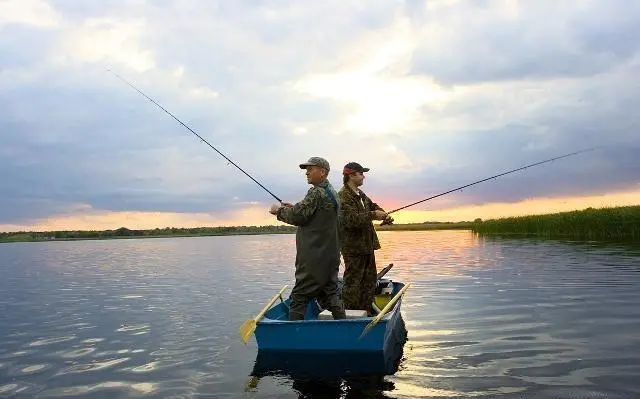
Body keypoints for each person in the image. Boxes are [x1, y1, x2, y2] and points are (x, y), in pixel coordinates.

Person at [269, 157, 346, 321]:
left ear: (323, 172)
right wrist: (294, 207)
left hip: (314, 256)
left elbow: (298, 217)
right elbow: (311, 212)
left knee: (299, 295)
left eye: (311, 169)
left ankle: (292, 337)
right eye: (306, 169)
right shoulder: (332, 192)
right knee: (331, 291)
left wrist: (279, 211)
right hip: (331, 254)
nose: (307, 172)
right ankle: (343, 324)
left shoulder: (316, 192)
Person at [338, 161, 393, 315]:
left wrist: (384, 214)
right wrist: (374, 215)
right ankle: (349, 314)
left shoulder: (360, 195)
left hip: (367, 246)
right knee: (352, 283)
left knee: (369, 283)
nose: (363, 177)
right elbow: (350, 220)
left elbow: (373, 206)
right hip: (353, 248)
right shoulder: (343, 196)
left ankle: (365, 311)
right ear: (351, 175)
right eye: (361, 173)